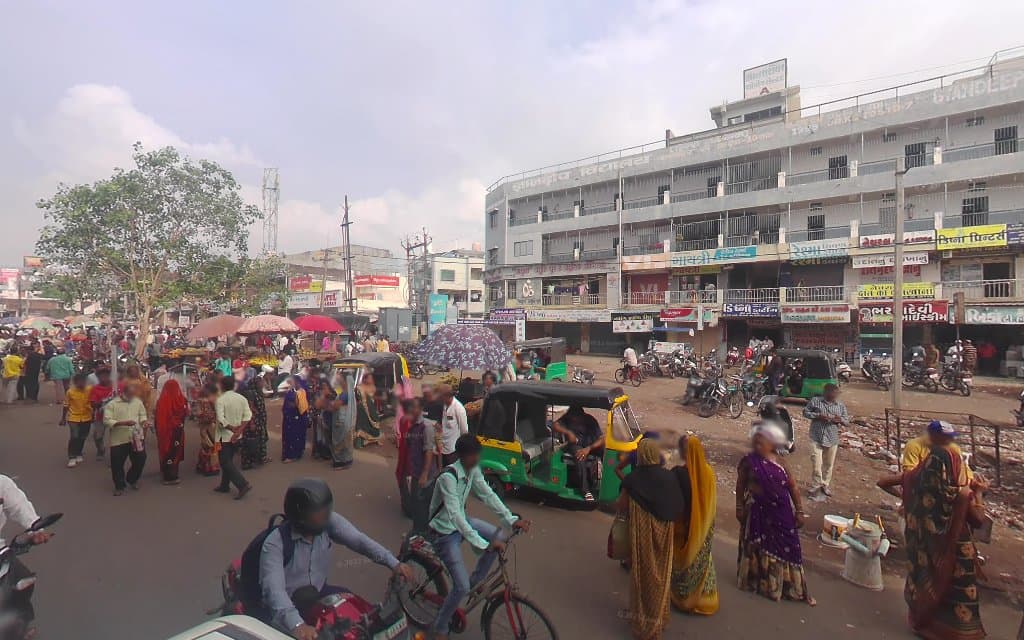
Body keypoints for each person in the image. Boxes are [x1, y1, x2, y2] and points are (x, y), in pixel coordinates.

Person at [258, 479, 414, 639]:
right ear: (301, 516)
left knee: (360, 611)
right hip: (288, 607)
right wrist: (298, 625)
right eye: (318, 513)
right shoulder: (275, 544)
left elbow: (359, 541)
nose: (325, 516)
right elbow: (275, 591)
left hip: (318, 592)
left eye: (326, 510)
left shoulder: (328, 522)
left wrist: (393, 563)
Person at [428, 434, 530, 639]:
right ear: (462, 456)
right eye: (473, 455)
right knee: (461, 586)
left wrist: (511, 519)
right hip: (444, 533)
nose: (477, 458)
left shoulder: (473, 470)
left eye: (477, 454)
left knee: (499, 535)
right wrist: (483, 545)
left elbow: (488, 495)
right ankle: (440, 627)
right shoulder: (448, 478)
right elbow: (455, 516)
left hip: (462, 523)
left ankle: (475, 582)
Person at [903, 446, 987, 638]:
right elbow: (979, 520)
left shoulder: (921, 486)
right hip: (957, 555)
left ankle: (927, 624)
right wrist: (979, 493)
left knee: (930, 584)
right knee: (956, 595)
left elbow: (883, 482)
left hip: (929, 550)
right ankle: (953, 632)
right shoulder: (961, 495)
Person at [736, 423, 814, 605]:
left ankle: (791, 588)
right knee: (756, 546)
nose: (758, 443)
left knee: (790, 547)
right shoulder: (749, 462)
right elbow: (740, 485)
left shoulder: (781, 463)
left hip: (781, 514)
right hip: (757, 513)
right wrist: (739, 507)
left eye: (762, 440)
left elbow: (793, 487)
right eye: (756, 440)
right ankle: (759, 584)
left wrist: (799, 511)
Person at [617, 438, 686, 640]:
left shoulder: (634, 478)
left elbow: (621, 506)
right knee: (661, 577)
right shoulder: (670, 477)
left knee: (643, 576)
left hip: (643, 536)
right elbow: (678, 507)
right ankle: (659, 619)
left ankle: (643, 621)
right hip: (665, 537)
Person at [670, 435, 718, 615]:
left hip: (683, 527)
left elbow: (675, 503)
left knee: (682, 562)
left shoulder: (678, 473)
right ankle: (704, 599)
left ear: (683, 453)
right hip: (702, 528)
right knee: (701, 562)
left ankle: (682, 598)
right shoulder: (709, 473)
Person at [0, 475, 53, 631]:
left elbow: (19, 507)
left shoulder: (2, 483)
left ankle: (19, 626)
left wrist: (36, 529)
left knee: (23, 582)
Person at [803, 383, 849, 500]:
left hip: (832, 438)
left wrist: (840, 420)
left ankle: (825, 485)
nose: (834, 396)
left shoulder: (840, 406)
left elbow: (847, 421)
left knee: (828, 465)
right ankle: (816, 486)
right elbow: (805, 412)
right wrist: (818, 416)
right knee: (817, 464)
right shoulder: (815, 401)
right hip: (816, 437)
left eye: (836, 394)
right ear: (825, 393)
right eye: (831, 394)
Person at [103, 382, 149, 496]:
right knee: (117, 464)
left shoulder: (138, 402)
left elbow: (142, 415)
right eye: (130, 394)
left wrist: (144, 422)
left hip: (136, 438)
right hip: (119, 439)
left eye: (133, 394)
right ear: (123, 393)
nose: (132, 397)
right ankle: (119, 486)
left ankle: (132, 479)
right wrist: (123, 423)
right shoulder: (112, 404)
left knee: (141, 459)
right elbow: (107, 420)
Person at [552, 405, 603, 501]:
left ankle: (606, 480)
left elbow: (601, 439)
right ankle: (585, 490)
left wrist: (589, 448)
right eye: (572, 418)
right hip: (575, 445)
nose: (574, 420)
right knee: (580, 455)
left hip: (590, 445)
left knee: (604, 450)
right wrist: (568, 432)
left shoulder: (590, 420)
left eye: (576, 418)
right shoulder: (567, 419)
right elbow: (555, 425)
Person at [214, 376, 253, 499]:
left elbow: (221, 419)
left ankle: (242, 484)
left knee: (225, 462)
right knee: (228, 460)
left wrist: (231, 429)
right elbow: (248, 416)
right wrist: (238, 431)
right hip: (237, 436)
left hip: (224, 436)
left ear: (222, 386)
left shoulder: (220, 400)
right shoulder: (241, 398)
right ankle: (224, 485)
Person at [155, 378, 188, 485]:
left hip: (166, 431)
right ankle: (174, 475)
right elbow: (186, 413)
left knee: (167, 450)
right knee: (176, 451)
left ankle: (167, 476)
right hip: (178, 431)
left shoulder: (162, 401)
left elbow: (159, 418)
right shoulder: (182, 400)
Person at [239, 370, 270, 470]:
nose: (262, 384)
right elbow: (250, 408)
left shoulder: (258, 392)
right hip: (253, 421)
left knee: (260, 439)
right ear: (256, 383)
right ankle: (248, 462)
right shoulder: (251, 393)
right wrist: (252, 422)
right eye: (261, 382)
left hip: (259, 420)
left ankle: (260, 458)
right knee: (251, 441)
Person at [63, 373, 93, 469]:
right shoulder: (70, 392)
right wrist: (63, 418)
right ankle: (72, 456)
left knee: (82, 436)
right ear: (75, 382)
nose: (82, 383)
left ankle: (79, 452)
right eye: (80, 381)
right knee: (74, 436)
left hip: (87, 417)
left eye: (83, 381)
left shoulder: (90, 390)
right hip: (73, 417)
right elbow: (66, 405)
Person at [281, 375, 310, 463]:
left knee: (294, 435)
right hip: (290, 418)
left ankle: (293, 455)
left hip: (296, 418)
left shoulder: (301, 392)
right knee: (291, 435)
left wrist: (294, 404)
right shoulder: (292, 391)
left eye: (291, 381)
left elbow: (301, 406)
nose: (290, 383)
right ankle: (294, 453)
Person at [436, 384, 468, 465]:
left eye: (440, 396)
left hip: (453, 451)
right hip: (442, 447)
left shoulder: (458, 408)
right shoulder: (442, 405)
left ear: (446, 396)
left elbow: (464, 431)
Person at [88, 367, 115, 460]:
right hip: (100, 416)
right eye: (101, 376)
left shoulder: (115, 387)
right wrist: (103, 403)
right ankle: (100, 450)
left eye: (106, 375)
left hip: (114, 416)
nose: (103, 378)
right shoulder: (95, 389)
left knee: (116, 437)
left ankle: (115, 456)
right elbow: (92, 403)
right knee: (97, 436)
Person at [194, 382, 221, 476]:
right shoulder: (206, 401)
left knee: (206, 446)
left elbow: (198, 414)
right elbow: (203, 414)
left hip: (205, 427)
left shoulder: (201, 400)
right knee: (211, 446)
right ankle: (211, 467)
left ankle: (203, 466)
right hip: (210, 426)